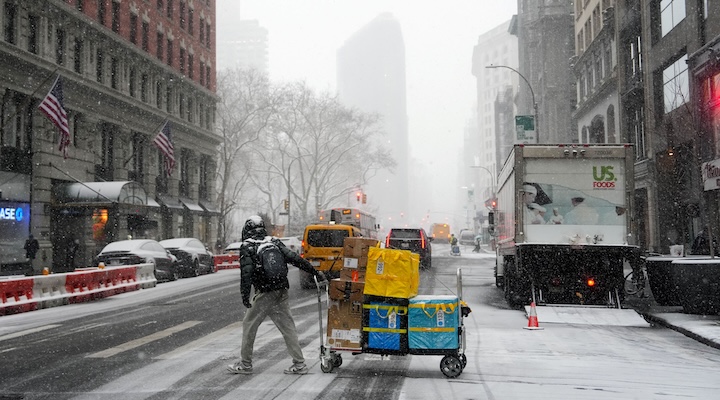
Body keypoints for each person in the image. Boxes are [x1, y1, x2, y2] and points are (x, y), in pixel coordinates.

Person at [227, 215, 326, 375]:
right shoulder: (274, 242)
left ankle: (245, 364)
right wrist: (314, 271)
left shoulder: (248, 246)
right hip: (281, 290)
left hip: (265, 292)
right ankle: (299, 364)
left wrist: (245, 296)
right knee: (288, 327)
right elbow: (295, 259)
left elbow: (246, 273)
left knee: (249, 324)